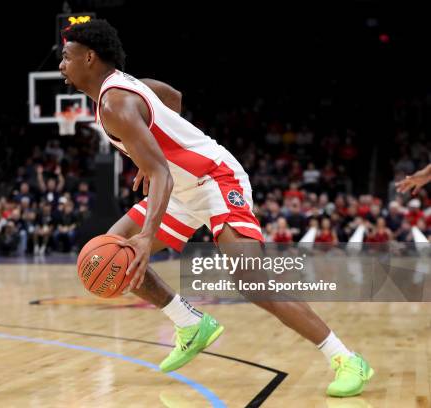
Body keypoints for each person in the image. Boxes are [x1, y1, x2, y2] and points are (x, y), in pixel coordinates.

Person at [59, 19, 373, 397]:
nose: (62, 65)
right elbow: (172, 98)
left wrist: (147, 229)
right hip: (182, 188)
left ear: (89, 58)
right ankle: (189, 324)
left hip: (215, 180)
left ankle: (346, 358)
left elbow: (161, 174)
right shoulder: (125, 88)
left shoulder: (116, 102)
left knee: (251, 280)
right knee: (111, 251)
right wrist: (155, 153)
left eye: (66, 57)